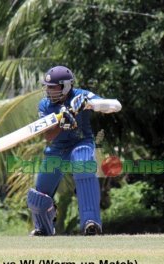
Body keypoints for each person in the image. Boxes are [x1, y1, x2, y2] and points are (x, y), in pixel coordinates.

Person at [27, 65, 122, 236]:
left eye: (53, 87)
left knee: (83, 165)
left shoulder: (81, 94)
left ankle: (91, 222)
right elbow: (48, 136)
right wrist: (62, 124)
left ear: (66, 85)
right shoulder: (45, 105)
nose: (49, 91)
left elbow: (116, 105)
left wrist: (90, 104)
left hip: (81, 143)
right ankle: (43, 227)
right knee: (39, 195)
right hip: (57, 149)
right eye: (47, 87)